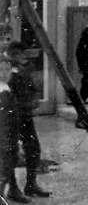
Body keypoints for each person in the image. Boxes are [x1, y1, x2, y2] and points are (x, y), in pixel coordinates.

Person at [6, 43, 49, 199]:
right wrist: (27, 104)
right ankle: (13, 189)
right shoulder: (8, 74)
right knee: (11, 153)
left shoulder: (24, 72)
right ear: (10, 55)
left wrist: (35, 99)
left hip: (25, 117)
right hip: (10, 119)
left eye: (21, 53)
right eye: (16, 54)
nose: (20, 57)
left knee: (33, 149)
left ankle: (31, 185)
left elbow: (33, 89)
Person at [0, 55, 24, 204]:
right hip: (3, 141)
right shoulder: (2, 93)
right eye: (0, 70)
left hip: (10, 138)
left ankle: (12, 192)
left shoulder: (7, 89)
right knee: (3, 171)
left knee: (8, 168)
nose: (4, 73)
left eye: (7, 69)